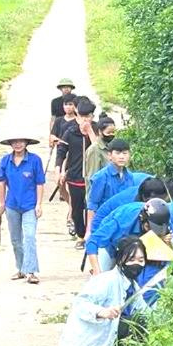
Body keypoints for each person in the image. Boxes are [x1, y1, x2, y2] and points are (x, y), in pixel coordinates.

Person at [60, 236, 150, 346]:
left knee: (143, 321)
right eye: (132, 260)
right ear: (120, 260)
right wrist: (102, 312)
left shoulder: (132, 286)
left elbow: (146, 313)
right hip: (84, 342)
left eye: (141, 261)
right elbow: (80, 304)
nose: (137, 265)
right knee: (137, 325)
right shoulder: (107, 280)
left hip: (99, 339)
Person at [0, 131, 45, 283]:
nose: (18, 144)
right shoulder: (5, 161)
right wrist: (1, 203)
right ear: (10, 144)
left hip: (30, 205)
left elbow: (40, 183)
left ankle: (30, 271)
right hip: (12, 205)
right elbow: (1, 183)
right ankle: (21, 268)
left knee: (29, 237)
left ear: (26, 143)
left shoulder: (35, 160)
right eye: (14, 141)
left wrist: (39, 204)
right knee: (16, 239)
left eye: (21, 141)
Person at [85, 140, 149, 237]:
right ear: (109, 155)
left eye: (125, 153)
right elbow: (92, 205)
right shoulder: (101, 177)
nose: (122, 157)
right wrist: (89, 230)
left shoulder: (130, 176)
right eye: (118, 153)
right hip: (105, 223)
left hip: (124, 223)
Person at [57, 97, 98, 244]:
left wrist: (90, 132)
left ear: (92, 116)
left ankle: (90, 235)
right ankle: (80, 235)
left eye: (89, 116)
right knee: (76, 209)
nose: (85, 120)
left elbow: (99, 150)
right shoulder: (70, 132)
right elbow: (61, 151)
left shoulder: (97, 129)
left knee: (91, 208)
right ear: (77, 115)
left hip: (93, 178)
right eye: (82, 116)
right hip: (75, 177)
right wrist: (60, 170)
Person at [83, 114, 118, 198]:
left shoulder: (112, 147)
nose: (111, 135)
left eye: (113, 132)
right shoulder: (95, 150)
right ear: (100, 132)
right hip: (99, 197)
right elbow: (93, 177)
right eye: (108, 132)